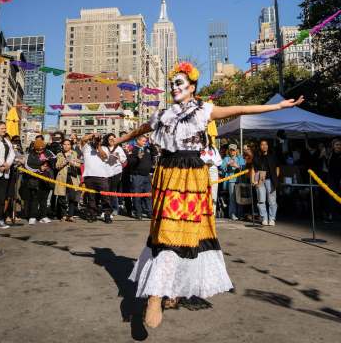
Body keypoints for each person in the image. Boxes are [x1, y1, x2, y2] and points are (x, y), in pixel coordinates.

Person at [114, 61, 303, 328]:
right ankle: (155, 295)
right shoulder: (164, 114)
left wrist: (277, 107)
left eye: (179, 83)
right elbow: (142, 129)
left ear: (192, 87)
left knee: (187, 237)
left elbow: (242, 108)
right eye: (172, 84)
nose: (174, 87)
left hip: (193, 176)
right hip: (168, 174)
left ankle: (169, 291)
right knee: (166, 233)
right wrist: (119, 141)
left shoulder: (205, 110)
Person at [81, 133, 113, 223]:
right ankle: (92, 215)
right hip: (89, 176)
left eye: (98, 139)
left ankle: (107, 215)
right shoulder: (86, 147)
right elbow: (83, 139)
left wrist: (98, 145)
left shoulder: (105, 148)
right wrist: (92, 135)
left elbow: (104, 157)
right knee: (91, 197)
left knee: (105, 197)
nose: (96, 140)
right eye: (94, 139)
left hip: (102, 176)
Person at [25, 139, 55, 225]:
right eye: (38, 149)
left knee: (44, 199)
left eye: (41, 149)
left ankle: (43, 216)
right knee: (34, 199)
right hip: (34, 180)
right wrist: (39, 168)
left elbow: (54, 159)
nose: (39, 151)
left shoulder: (48, 152)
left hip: (46, 179)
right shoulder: (30, 154)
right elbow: (28, 166)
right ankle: (32, 216)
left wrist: (48, 161)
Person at [251, 140, 280, 226]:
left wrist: (275, 177)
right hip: (260, 181)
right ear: (260, 146)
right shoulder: (256, 157)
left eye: (266, 144)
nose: (264, 146)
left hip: (270, 180)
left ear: (268, 146)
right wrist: (253, 180)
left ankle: (272, 219)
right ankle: (264, 218)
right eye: (262, 144)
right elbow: (253, 169)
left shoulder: (273, 156)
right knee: (261, 200)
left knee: (272, 201)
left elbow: (277, 168)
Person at [128, 135, 156, 220]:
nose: (145, 143)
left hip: (147, 176)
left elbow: (155, 153)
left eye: (145, 141)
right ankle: (138, 213)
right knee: (137, 195)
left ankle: (149, 212)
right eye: (143, 141)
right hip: (137, 176)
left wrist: (151, 144)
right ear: (138, 141)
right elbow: (130, 163)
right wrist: (137, 158)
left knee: (148, 195)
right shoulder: (133, 149)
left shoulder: (147, 149)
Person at [54, 139, 81, 222]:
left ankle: (71, 215)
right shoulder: (59, 154)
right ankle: (63, 215)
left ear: (70, 145)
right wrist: (65, 162)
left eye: (68, 144)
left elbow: (79, 165)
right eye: (64, 144)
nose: (66, 146)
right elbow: (57, 166)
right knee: (62, 197)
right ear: (62, 145)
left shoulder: (74, 153)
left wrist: (73, 163)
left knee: (72, 197)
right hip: (62, 177)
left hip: (72, 177)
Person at [102, 133, 127, 216]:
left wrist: (118, 157)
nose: (112, 140)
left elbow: (124, 160)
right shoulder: (104, 148)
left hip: (116, 171)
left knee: (113, 190)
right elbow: (101, 158)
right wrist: (107, 157)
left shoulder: (118, 148)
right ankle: (106, 209)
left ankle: (115, 208)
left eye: (113, 139)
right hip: (106, 171)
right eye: (110, 139)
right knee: (106, 190)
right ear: (107, 140)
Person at [220, 144, 245, 220]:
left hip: (239, 180)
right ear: (229, 150)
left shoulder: (240, 158)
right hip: (231, 181)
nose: (232, 151)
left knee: (240, 198)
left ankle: (240, 214)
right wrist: (227, 165)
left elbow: (243, 167)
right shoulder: (226, 158)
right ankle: (232, 214)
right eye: (231, 150)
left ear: (236, 150)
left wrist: (237, 166)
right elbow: (222, 168)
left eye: (233, 150)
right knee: (232, 197)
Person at [200, 134, 222, 217]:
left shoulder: (214, 149)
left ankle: (212, 213)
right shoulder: (199, 148)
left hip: (213, 170)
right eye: (203, 138)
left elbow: (220, 161)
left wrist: (213, 163)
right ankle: (203, 212)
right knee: (203, 191)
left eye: (207, 138)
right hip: (202, 170)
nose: (205, 140)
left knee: (213, 191)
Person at [326, 138, 341, 223]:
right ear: (333, 146)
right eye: (337, 145)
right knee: (331, 197)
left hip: (339, 179)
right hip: (332, 179)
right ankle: (331, 215)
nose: (339, 146)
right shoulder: (331, 155)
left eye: (340, 145)